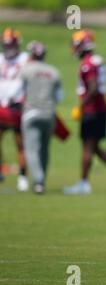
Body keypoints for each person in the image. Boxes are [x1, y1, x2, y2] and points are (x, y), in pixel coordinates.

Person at [64, 29, 106, 195]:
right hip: (99, 109)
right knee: (93, 147)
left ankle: (84, 183)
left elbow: (93, 89)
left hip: (92, 110)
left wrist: (80, 107)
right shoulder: (95, 61)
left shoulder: (88, 64)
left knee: (87, 146)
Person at [20, 41, 62, 194]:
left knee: (32, 149)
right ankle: (42, 179)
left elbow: (19, 92)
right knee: (44, 149)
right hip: (49, 113)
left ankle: (38, 182)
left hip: (30, 113)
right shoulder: (53, 71)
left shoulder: (26, 70)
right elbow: (59, 97)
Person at [0, 27, 29, 191]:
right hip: (1, 105)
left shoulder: (25, 59)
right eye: (6, 45)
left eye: (11, 45)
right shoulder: (0, 59)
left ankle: (23, 177)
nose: (8, 48)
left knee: (20, 143)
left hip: (18, 105)